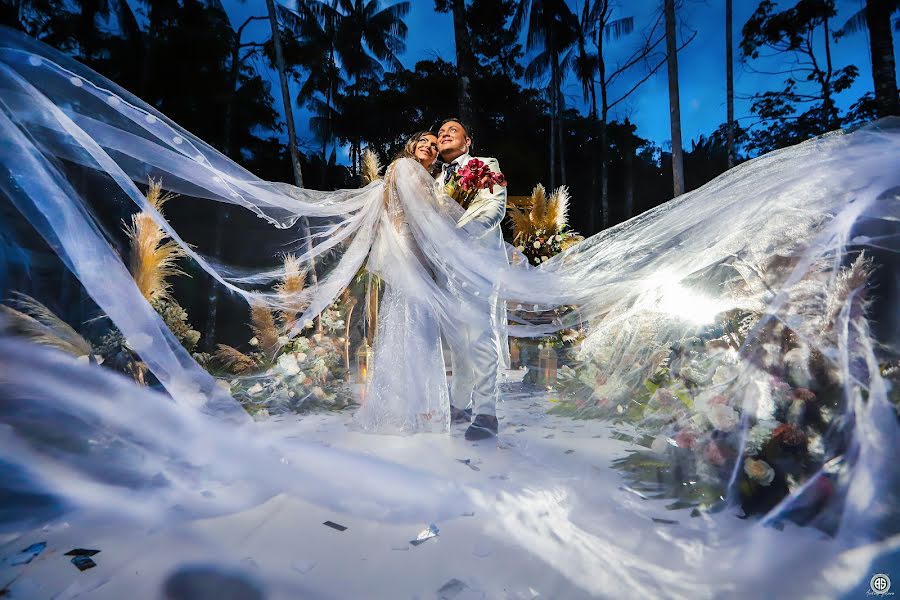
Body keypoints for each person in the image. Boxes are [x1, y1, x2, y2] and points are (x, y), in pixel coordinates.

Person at [435, 118, 508, 440]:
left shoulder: (484, 165)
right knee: (457, 342)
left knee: (479, 336)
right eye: (440, 132)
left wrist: (459, 237)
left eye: (453, 130)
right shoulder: (434, 180)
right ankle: (460, 403)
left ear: (467, 142)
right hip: (445, 270)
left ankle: (486, 412)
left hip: (477, 262)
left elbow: (495, 208)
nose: (444, 134)